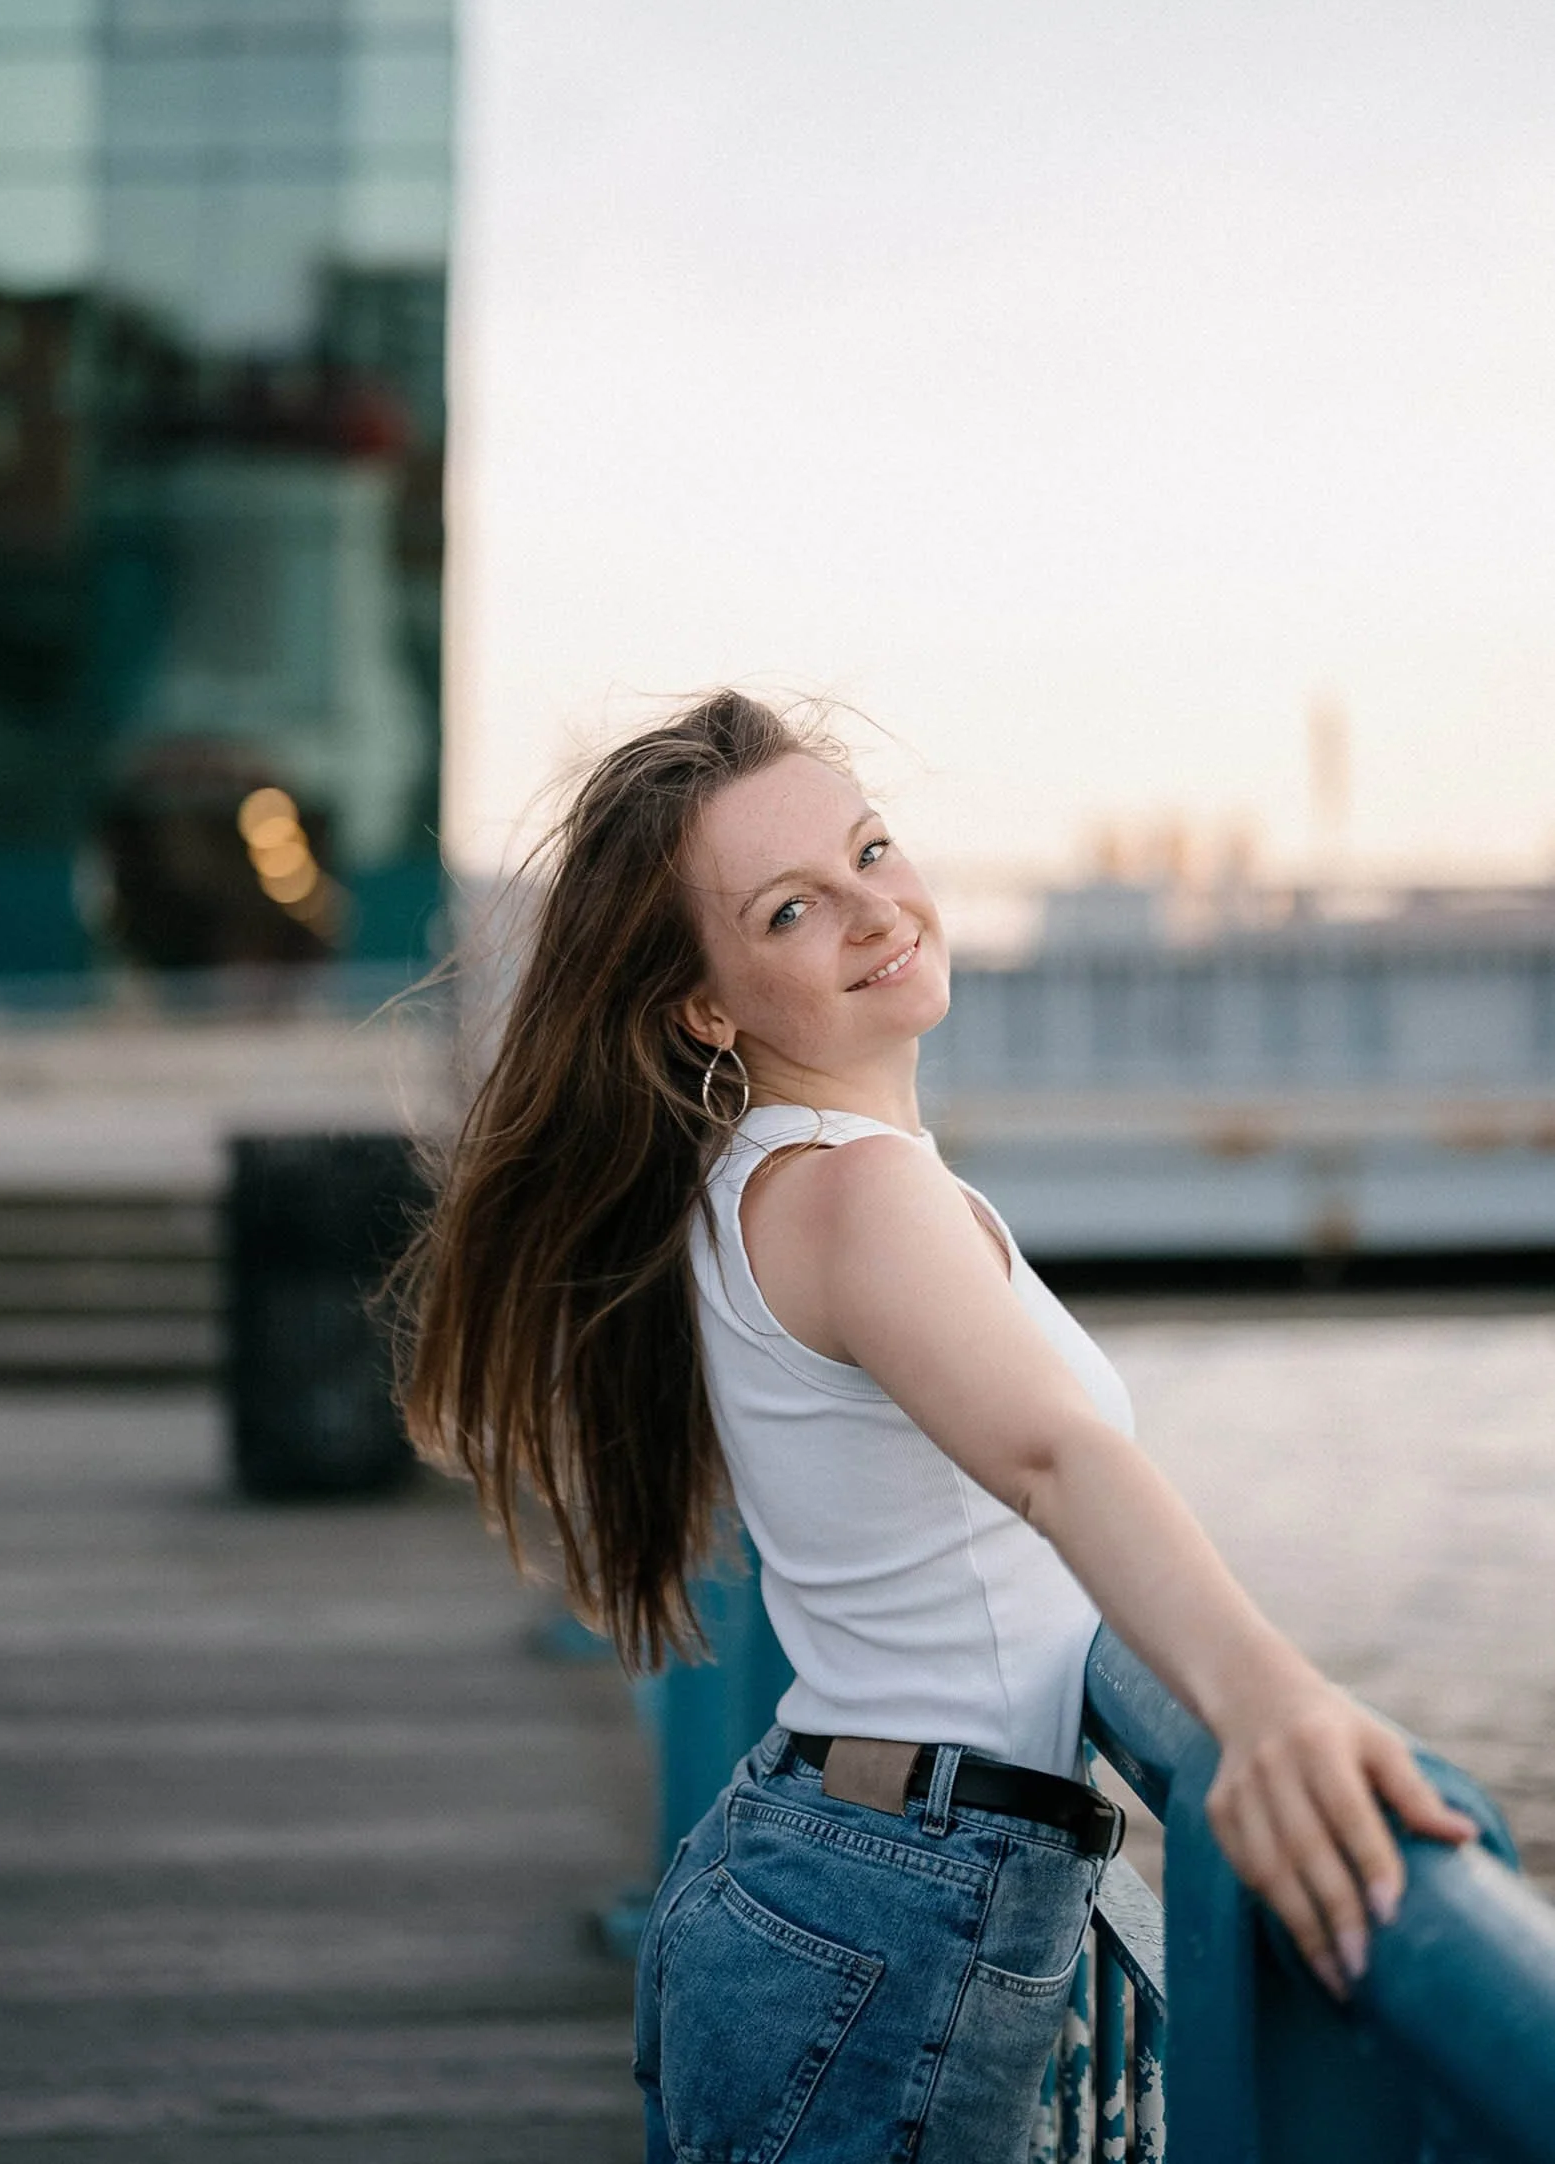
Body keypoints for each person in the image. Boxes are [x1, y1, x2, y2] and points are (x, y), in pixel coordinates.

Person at [403, 689, 1474, 2164]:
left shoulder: (770, 1175)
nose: (870, 909)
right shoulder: (852, 1190)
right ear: (704, 1007)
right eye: (788, 910)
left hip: (825, 1881)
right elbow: (1050, 1457)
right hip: (890, 1911)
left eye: (871, 849)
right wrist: (1269, 1702)